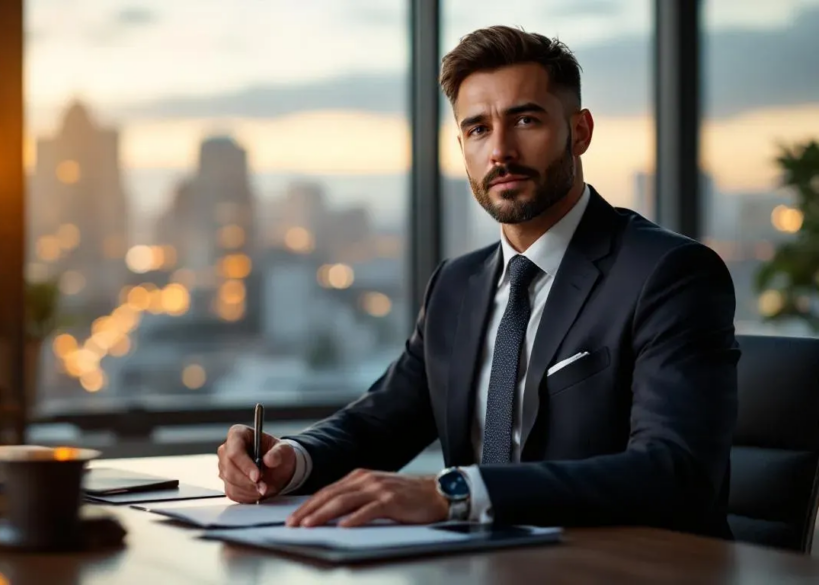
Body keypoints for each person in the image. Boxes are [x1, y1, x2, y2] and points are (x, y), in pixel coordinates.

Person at [216, 25, 739, 538]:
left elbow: (675, 471)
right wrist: (293, 459)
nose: (500, 151)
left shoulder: (667, 274)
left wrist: (456, 493)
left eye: (526, 120)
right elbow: (384, 419)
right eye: (478, 129)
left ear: (579, 131)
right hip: (479, 568)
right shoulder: (457, 284)